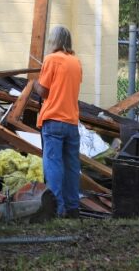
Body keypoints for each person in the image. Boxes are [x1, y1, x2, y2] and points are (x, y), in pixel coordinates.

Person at [35, 25, 83, 218]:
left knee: (53, 165)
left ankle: (56, 209)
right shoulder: (76, 62)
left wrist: (35, 84)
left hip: (53, 119)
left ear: (53, 42)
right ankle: (73, 208)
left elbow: (44, 91)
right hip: (71, 121)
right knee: (72, 166)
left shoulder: (51, 59)